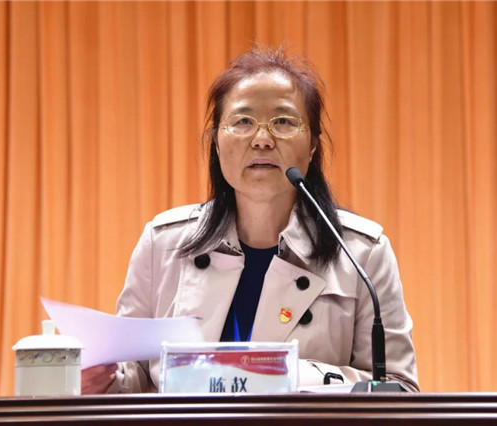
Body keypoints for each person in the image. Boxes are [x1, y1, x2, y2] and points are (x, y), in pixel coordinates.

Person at [82, 46, 419, 394]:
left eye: (283, 122)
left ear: (313, 145)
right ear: (216, 143)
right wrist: (100, 379)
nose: (262, 140)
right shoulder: (163, 243)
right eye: (243, 122)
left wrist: (288, 375)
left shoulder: (362, 254)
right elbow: (132, 376)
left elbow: (398, 388)